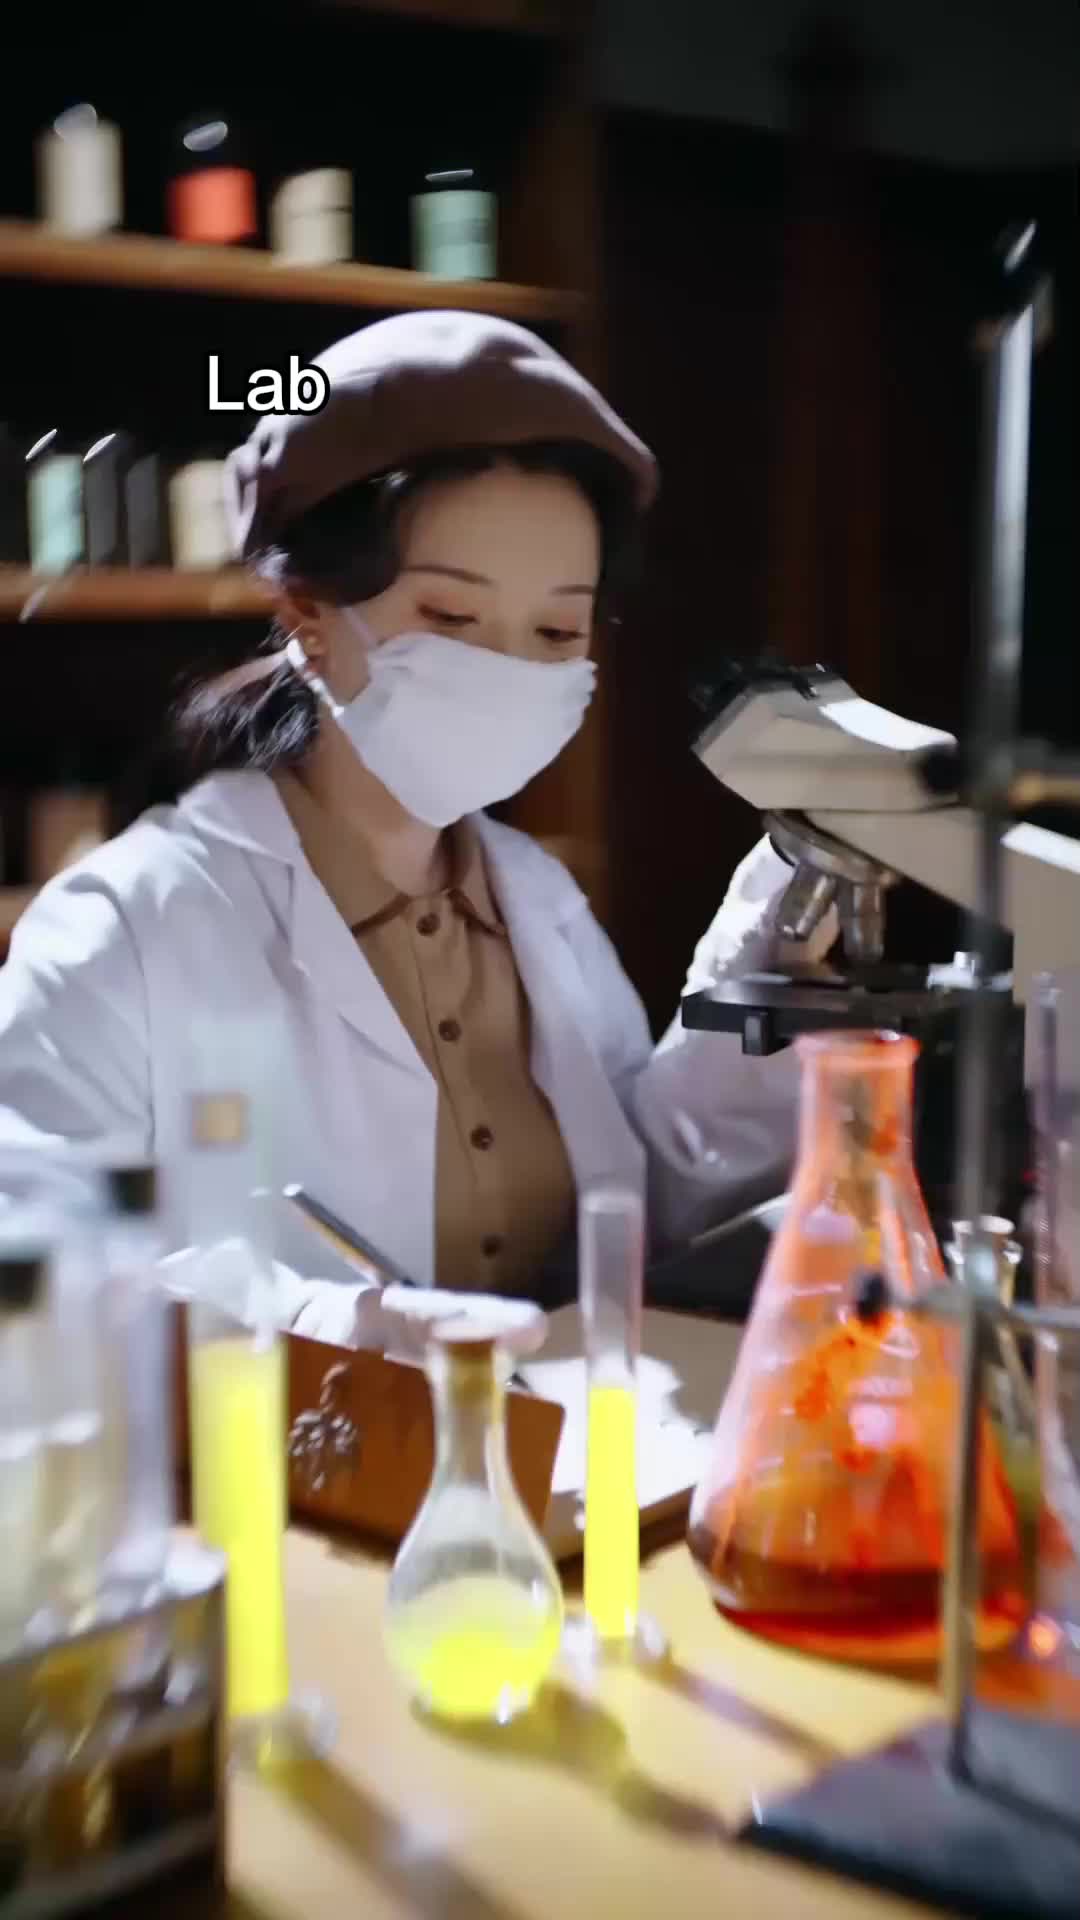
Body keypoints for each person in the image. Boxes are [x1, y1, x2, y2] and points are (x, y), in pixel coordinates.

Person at [0, 312, 831, 1336]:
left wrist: (765, 980)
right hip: (288, 1445)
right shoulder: (128, 926)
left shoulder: (537, 901)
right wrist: (346, 1326)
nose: (511, 670)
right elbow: (38, 1256)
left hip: (565, 1431)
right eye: (451, 618)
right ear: (308, 615)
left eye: (557, 629)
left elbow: (642, 1194)